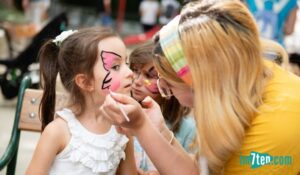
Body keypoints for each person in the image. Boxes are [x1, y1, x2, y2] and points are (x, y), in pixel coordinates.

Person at [99, 0, 300, 175]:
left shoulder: (273, 133)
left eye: (168, 87)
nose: (165, 93)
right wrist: (156, 130)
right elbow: (202, 170)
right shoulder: (238, 79)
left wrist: (141, 127)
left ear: (203, 84)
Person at [25, 27, 138, 175]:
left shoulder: (122, 130)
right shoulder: (58, 132)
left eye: (127, 63)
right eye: (116, 66)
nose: (130, 73)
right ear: (85, 82)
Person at [129, 42, 196, 171]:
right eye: (135, 71)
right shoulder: (121, 119)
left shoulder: (188, 130)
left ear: (169, 80)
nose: (137, 81)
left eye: (149, 76)